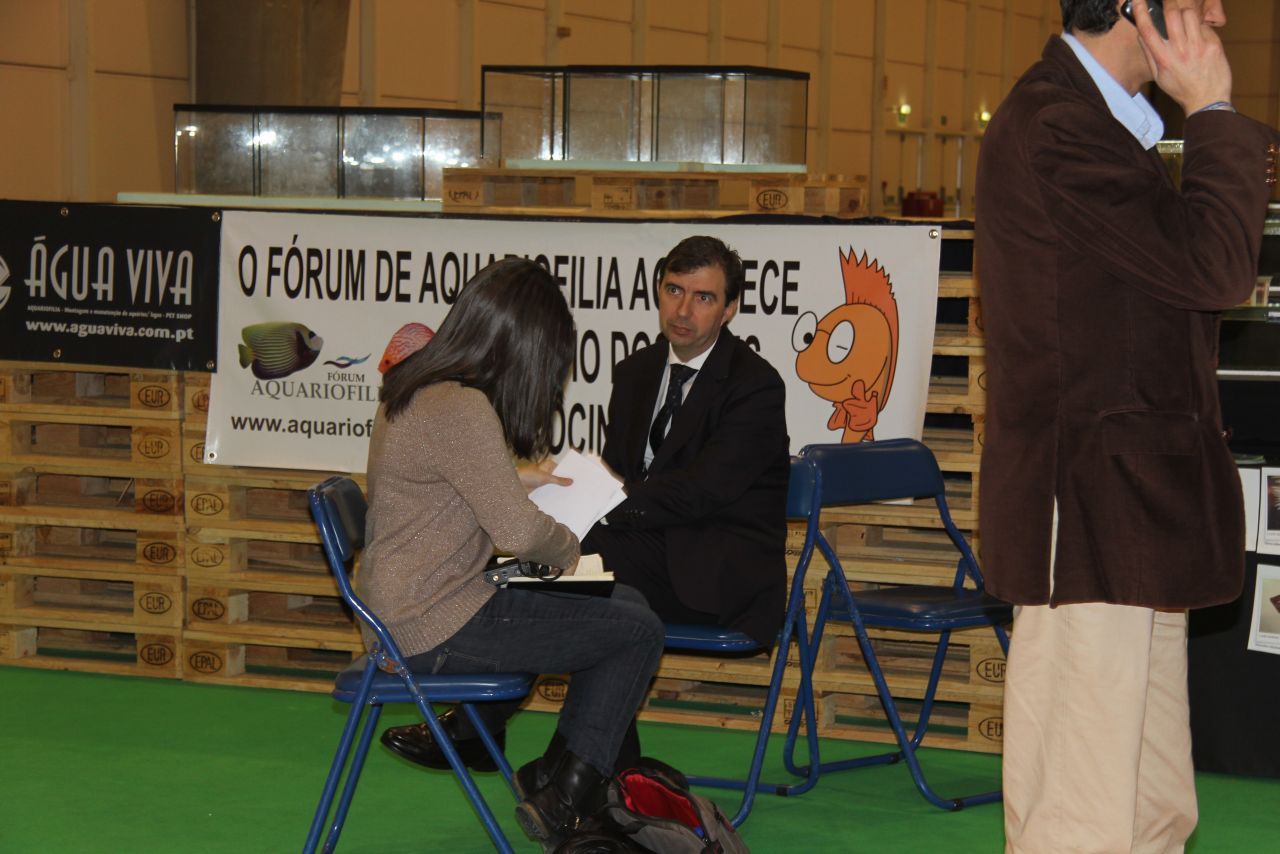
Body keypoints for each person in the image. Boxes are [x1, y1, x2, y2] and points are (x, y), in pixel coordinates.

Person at [975, 1, 1279, 851]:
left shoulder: (1097, 123)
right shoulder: (1056, 125)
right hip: (1087, 507)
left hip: (1129, 505)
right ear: (1136, 7)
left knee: (1149, 803)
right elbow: (1217, 269)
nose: (1217, 15)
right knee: (1083, 810)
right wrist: (1212, 110)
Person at [381, 235, 791, 773]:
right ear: (658, 291)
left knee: (567, 564)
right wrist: (574, 493)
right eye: (674, 290)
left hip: (713, 568)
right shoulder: (637, 371)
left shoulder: (757, 387)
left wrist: (599, 507)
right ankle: (573, 767)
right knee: (580, 585)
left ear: (730, 308)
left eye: (704, 297)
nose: (683, 310)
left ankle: (494, 734)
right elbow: (616, 473)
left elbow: (702, 493)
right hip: (638, 552)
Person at [361, 257, 665, 847]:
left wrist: (517, 478)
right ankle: (566, 796)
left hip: (409, 609)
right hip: (434, 625)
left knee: (624, 605)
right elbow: (520, 535)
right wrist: (569, 549)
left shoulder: (421, 385)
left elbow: (443, 482)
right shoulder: (460, 408)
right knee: (637, 631)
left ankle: (544, 769)